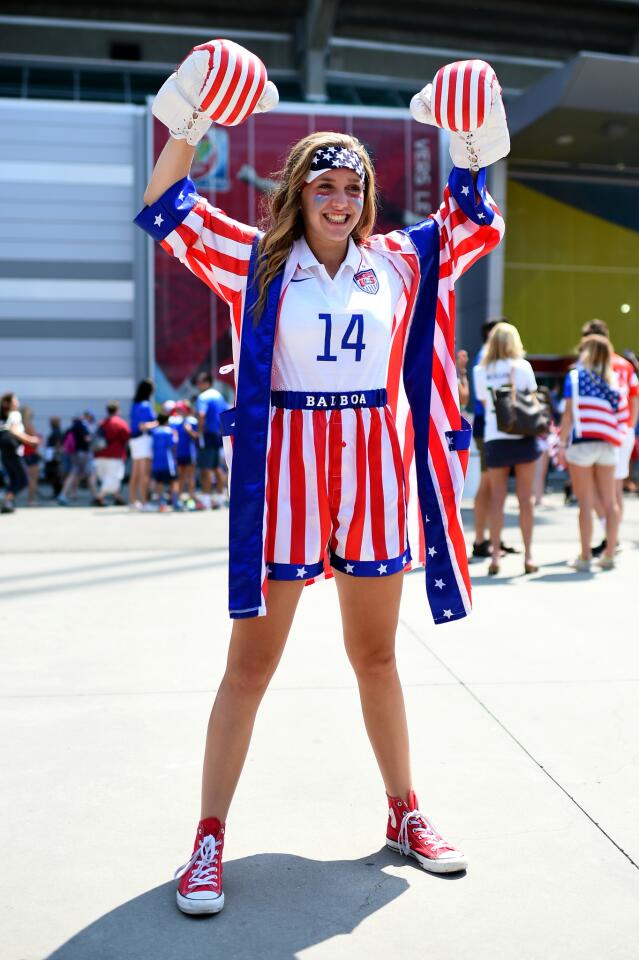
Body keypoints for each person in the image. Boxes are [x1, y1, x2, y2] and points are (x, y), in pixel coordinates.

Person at [135, 41, 508, 915]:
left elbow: (470, 220)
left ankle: (404, 812)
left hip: (376, 477)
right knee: (251, 665)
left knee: (376, 657)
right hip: (287, 483)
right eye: (323, 187)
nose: (339, 202)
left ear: (367, 200)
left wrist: (469, 136)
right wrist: (186, 122)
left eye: (352, 190)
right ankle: (207, 840)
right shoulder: (255, 261)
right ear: (297, 193)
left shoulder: (400, 260)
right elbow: (163, 208)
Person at [473, 322, 540, 575]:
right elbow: (532, 400)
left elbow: (483, 401)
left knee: (497, 499)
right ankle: (529, 555)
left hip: (495, 436)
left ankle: (495, 557)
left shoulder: (481, 370)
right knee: (526, 499)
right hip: (522, 435)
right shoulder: (522, 367)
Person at [557, 335, 621, 570]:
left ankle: (585, 556)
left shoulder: (575, 376)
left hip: (582, 441)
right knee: (611, 501)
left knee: (585, 502)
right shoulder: (612, 379)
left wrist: (562, 445)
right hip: (607, 442)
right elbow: (620, 414)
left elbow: (568, 415)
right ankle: (610, 553)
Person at [579, 320, 639, 553]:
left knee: (593, 489)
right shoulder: (625, 365)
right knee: (614, 489)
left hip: (595, 433)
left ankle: (608, 537)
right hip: (620, 432)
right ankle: (612, 538)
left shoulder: (589, 365)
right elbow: (634, 399)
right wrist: (628, 429)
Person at [0, 393, 40, 514]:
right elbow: (15, 431)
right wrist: (31, 440)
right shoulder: (15, 414)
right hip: (13, 450)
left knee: (13, 480)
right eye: (15, 400)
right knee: (23, 480)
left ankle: (8, 503)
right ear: (9, 403)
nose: (17, 402)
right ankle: (6, 499)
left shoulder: (4, 416)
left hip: (5, 451)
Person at [195, 372, 229, 509]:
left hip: (208, 434)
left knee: (206, 468)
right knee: (216, 467)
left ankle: (206, 499)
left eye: (200, 382)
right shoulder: (219, 396)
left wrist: (198, 431)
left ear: (207, 383)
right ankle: (220, 498)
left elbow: (201, 415)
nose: (198, 385)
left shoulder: (203, 397)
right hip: (219, 434)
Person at [92, 401, 131, 506]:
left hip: (99, 454)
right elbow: (127, 436)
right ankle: (99, 497)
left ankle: (118, 498)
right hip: (114, 455)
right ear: (117, 410)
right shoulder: (120, 423)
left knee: (107, 478)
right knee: (113, 478)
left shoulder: (102, 423)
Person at [128, 379, 158, 510]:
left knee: (135, 473)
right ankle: (145, 502)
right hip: (143, 440)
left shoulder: (134, 404)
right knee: (145, 473)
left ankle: (134, 501)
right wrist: (159, 423)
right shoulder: (145, 405)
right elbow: (143, 426)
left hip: (135, 440)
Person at [58, 412, 96, 505]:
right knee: (91, 474)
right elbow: (87, 439)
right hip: (84, 453)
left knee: (73, 474)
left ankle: (63, 494)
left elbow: (63, 438)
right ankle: (96, 496)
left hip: (74, 453)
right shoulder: (83, 426)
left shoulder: (73, 427)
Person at [150, 412, 180, 511]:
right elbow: (173, 445)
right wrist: (176, 436)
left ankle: (161, 504)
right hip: (168, 462)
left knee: (159, 482)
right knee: (174, 481)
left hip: (156, 462)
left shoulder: (154, 432)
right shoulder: (169, 431)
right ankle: (175, 502)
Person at [173, 400, 199, 508]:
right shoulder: (176, 423)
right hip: (180, 453)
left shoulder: (192, 421)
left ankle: (191, 499)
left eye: (181, 409)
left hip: (190, 453)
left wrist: (189, 430)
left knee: (190, 476)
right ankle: (178, 499)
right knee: (180, 476)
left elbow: (196, 436)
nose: (179, 411)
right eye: (178, 409)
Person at [21, 406, 42, 506]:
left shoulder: (21, 426)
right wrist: (39, 439)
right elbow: (34, 441)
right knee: (33, 479)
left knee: (29, 478)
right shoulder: (29, 426)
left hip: (25, 454)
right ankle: (31, 500)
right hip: (31, 454)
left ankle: (30, 499)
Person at [43, 416, 64, 499]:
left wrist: (57, 455)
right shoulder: (55, 431)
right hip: (53, 456)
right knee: (55, 475)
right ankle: (57, 493)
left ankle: (58, 493)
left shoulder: (57, 432)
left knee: (56, 475)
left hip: (54, 457)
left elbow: (58, 444)